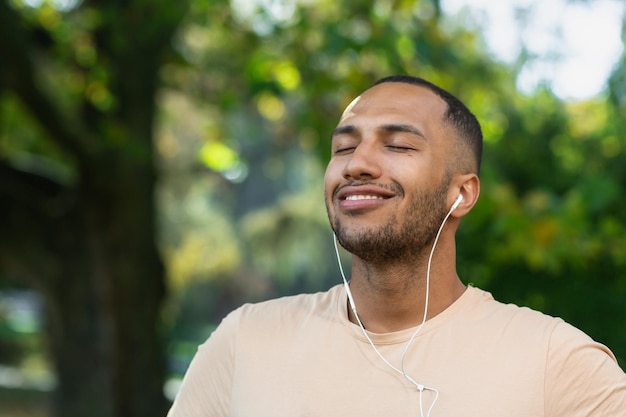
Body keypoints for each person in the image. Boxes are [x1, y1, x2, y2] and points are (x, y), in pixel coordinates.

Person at [167, 75, 626, 417]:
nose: (357, 164)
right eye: (343, 149)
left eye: (399, 146)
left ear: (461, 193)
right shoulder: (244, 341)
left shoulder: (558, 364)